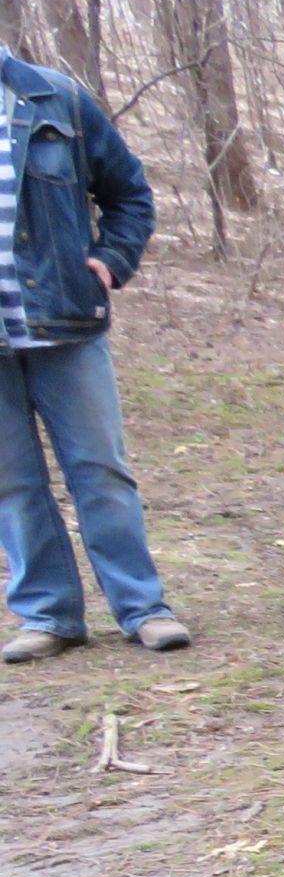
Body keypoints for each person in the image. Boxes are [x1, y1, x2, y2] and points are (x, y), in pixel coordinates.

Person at [0, 46, 187, 663]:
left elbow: (130, 194)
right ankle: (48, 616)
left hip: (65, 322)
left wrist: (110, 260)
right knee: (12, 483)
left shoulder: (58, 98)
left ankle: (143, 608)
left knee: (100, 471)